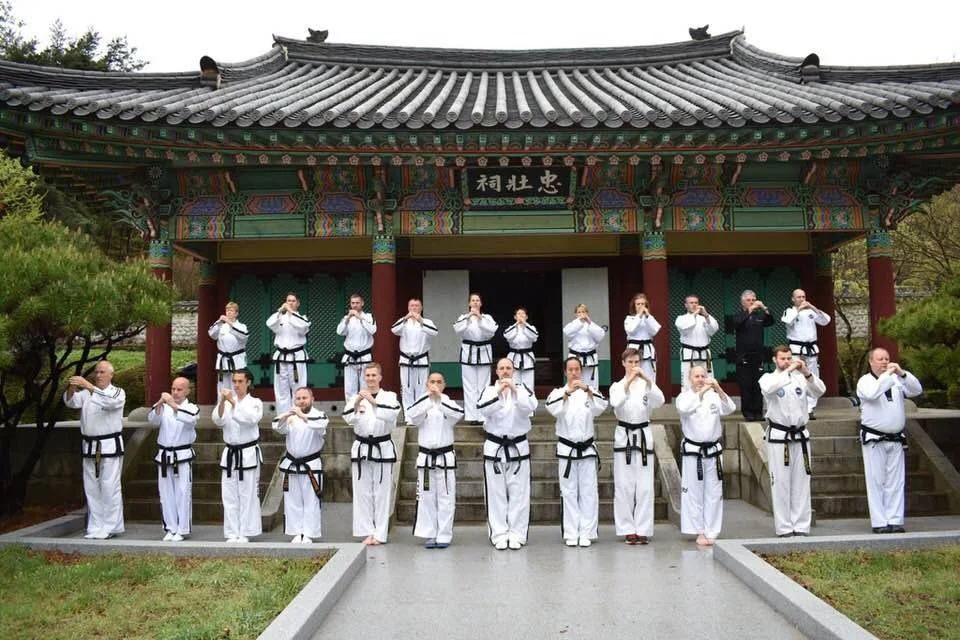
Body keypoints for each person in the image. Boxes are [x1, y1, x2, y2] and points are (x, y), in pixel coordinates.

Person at [759, 346, 825, 537]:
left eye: (789, 358)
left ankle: (801, 526)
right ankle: (784, 527)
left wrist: (807, 372)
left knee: (802, 482)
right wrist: (787, 371)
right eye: (783, 358)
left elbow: (820, 391)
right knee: (780, 483)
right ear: (774, 360)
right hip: (779, 437)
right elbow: (769, 389)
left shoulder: (800, 379)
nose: (787, 361)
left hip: (800, 436)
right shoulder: (768, 378)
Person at [856, 348, 923, 534]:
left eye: (887, 358)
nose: (884, 362)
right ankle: (879, 522)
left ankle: (895, 520)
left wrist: (902, 374)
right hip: (874, 438)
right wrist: (887, 375)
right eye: (880, 359)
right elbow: (872, 394)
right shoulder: (865, 381)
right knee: (876, 480)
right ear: (871, 362)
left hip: (896, 438)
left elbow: (917, 390)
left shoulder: (896, 379)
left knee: (896, 481)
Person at [545, 357, 608, 548]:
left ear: (581, 371)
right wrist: (567, 393)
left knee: (589, 491)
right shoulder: (558, 392)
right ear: (565, 372)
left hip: (587, 448)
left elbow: (602, 406)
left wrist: (587, 390)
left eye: (577, 369)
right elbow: (552, 409)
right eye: (570, 369)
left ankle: (587, 531)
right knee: (569, 492)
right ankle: (571, 532)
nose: (574, 373)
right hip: (567, 449)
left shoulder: (590, 392)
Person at [477, 358, 538, 550]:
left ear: (514, 371)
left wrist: (514, 390)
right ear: (496, 371)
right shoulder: (488, 390)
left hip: (518, 447)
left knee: (519, 494)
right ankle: (499, 534)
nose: (505, 372)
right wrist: (499, 391)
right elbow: (484, 409)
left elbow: (531, 407)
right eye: (501, 368)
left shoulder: (523, 389)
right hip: (495, 448)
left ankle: (517, 534)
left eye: (508, 368)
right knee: (496, 494)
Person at [63, 360, 126, 540]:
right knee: (91, 487)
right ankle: (95, 525)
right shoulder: (86, 394)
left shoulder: (117, 393)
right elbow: (70, 402)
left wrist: (88, 385)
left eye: (102, 372)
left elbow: (108, 403)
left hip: (109, 445)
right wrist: (72, 387)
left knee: (109, 486)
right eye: (96, 372)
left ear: (111, 375)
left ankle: (111, 526)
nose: (98, 375)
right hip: (90, 446)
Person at [609, 348, 665, 545]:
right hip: (624, 436)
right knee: (624, 486)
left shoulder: (647, 385)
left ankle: (642, 529)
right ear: (623, 363)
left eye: (637, 362)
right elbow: (615, 402)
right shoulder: (617, 386)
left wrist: (648, 381)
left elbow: (660, 401)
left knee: (645, 487)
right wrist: (629, 382)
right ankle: (627, 528)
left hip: (642, 435)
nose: (634, 366)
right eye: (630, 362)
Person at [676, 365, 735, 545]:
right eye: (696, 376)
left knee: (714, 492)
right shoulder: (684, 397)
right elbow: (684, 409)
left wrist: (718, 388)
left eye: (703, 376)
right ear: (690, 378)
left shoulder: (714, 396)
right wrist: (700, 394)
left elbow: (730, 408)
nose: (700, 379)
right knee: (694, 492)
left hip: (713, 450)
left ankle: (712, 529)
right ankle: (699, 530)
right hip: (694, 452)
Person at [343, 363, 401, 545]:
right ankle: (367, 531)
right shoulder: (356, 397)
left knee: (381, 492)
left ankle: (380, 533)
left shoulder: (389, 397)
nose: (370, 378)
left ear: (380, 377)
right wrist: (359, 402)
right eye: (367, 375)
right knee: (363, 492)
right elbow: (348, 418)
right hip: (361, 448)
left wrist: (373, 402)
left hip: (381, 447)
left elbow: (392, 415)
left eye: (373, 375)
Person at [406, 372, 464, 549]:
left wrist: (439, 398)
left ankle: (444, 534)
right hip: (426, 458)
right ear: (426, 384)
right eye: (432, 382)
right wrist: (429, 400)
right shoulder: (422, 403)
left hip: (445, 458)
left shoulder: (448, 402)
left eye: (439, 382)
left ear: (444, 385)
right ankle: (430, 533)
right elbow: (413, 416)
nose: (435, 385)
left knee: (446, 497)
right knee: (427, 497)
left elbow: (457, 415)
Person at [212, 369, 263, 543]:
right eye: (234, 381)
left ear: (248, 383)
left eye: (240, 381)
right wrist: (221, 401)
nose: (236, 384)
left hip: (247, 453)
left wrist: (233, 403)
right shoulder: (226, 402)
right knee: (229, 495)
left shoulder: (255, 402)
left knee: (247, 494)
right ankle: (232, 532)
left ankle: (245, 531)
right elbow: (218, 421)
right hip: (230, 453)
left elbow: (250, 420)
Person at [273, 387, 328, 544]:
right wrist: (286, 415)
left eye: (304, 398)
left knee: (311, 500)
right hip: (292, 464)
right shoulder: (291, 418)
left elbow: (321, 426)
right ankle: (296, 532)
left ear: (312, 399)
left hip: (311, 464)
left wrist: (302, 416)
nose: (301, 401)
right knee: (292, 500)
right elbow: (276, 426)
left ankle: (309, 533)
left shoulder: (319, 415)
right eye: (298, 398)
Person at [147, 376, 199, 542]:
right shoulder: (164, 407)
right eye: (173, 389)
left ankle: (182, 529)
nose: (175, 392)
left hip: (182, 456)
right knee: (165, 493)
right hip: (164, 455)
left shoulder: (192, 407)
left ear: (187, 391)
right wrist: (161, 403)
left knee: (183, 492)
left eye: (179, 389)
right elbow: (152, 420)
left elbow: (190, 419)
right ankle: (170, 527)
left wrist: (173, 405)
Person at [781, 289, 831, 419]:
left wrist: (812, 307)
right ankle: (796, 406)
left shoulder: (811, 312)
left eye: (803, 297)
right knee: (796, 377)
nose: (802, 299)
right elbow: (787, 321)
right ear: (793, 299)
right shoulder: (790, 311)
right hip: (797, 350)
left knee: (812, 376)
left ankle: (810, 408)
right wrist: (798, 310)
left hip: (811, 349)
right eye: (798, 297)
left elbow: (825, 321)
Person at [453, 293, 498, 425]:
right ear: (469, 303)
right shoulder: (463, 318)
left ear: (481, 303)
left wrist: (479, 318)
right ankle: (472, 416)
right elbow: (458, 330)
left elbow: (491, 331)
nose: (475, 303)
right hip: (468, 352)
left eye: (477, 300)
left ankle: (483, 415)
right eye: (473, 300)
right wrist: (469, 318)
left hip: (483, 351)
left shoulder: (486, 318)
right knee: (469, 386)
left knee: (483, 386)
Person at [391, 298, 439, 421]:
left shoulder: (426, 322)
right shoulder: (403, 323)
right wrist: (406, 317)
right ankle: (409, 416)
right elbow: (394, 329)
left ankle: (419, 415)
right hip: (406, 360)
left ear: (421, 308)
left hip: (421, 359)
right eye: (412, 306)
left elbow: (434, 332)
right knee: (406, 388)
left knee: (421, 389)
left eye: (417, 306)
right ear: (408, 308)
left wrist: (420, 320)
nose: (414, 308)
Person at [266, 292, 311, 415]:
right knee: (281, 391)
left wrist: (291, 313)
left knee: (299, 389)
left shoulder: (303, 318)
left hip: (297, 359)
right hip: (281, 359)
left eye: (293, 301)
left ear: (298, 303)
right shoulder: (280, 318)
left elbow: (303, 327)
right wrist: (280, 311)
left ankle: (298, 415)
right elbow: (269, 323)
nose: (290, 303)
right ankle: (283, 417)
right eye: (288, 300)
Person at [733, 289, 774, 421]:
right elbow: (736, 324)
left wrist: (763, 307)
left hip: (758, 356)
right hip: (743, 357)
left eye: (753, 300)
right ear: (742, 302)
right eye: (748, 300)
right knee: (746, 386)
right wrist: (749, 310)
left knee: (758, 386)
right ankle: (748, 413)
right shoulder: (738, 316)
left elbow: (771, 320)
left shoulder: (759, 316)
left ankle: (758, 412)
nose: (751, 303)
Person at [337, 293, 377, 402]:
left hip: (364, 356)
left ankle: (365, 410)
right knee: (350, 387)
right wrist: (347, 319)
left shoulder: (369, 317)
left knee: (365, 385)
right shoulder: (346, 318)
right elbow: (340, 332)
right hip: (350, 356)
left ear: (362, 303)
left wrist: (360, 318)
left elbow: (373, 330)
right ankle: (351, 411)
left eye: (357, 303)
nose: (355, 305)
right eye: (353, 303)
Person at [675, 295, 719, 392]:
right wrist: (694, 314)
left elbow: (713, 329)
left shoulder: (704, 318)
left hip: (704, 354)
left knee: (707, 379)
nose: (694, 305)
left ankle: (708, 400)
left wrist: (706, 315)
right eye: (691, 303)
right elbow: (684, 328)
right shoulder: (681, 318)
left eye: (696, 303)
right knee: (688, 380)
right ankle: (687, 404)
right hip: (689, 354)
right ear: (686, 305)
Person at [563, 304, 607, 389]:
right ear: (575, 314)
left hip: (590, 358)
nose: (581, 314)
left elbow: (600, 336)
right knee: (575, 380)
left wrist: (589, 322)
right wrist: (579, 322)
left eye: (583, 312)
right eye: (579, 312)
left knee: (591, 382)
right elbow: (567, 332)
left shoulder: (592, 325)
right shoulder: (572, 325)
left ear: (587, 313)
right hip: (576, 357)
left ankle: (591, 398)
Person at [208, 301, 249, 392]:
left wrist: (230, 323)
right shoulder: (221, 326)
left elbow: (243, 337)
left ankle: (236, 405)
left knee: (236, 387)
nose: (229, 312)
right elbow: (212, 334)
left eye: (231, 310)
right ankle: (223, 405)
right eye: (227, 310)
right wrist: (219, 322)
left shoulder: (242, 326)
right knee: (222, 388)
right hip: (223, 360)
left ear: (236, 313)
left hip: (237, 360)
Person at [623, 293, 661, 381]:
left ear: (646, 305)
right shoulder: (629, 319)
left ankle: (649, 394)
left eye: (643, 304)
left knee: (649, 376)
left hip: (647, 350)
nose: (641, 306)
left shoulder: (649, 318)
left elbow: (655, 330)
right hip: (633, 348)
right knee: (633, 374)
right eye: (638, 304)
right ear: (634, 306)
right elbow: (630, 330)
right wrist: (639, 316)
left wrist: (647, 316)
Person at [503, 307, 539, 393]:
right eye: (518, 314)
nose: (521, 316)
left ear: (526, 317)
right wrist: (516, 325)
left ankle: (528, 404)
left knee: (528, 384)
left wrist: (525, 324)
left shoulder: (531, 328)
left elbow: (534, 336)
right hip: (514, 357)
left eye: (523, 314)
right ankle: (515, 404)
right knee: (514, 383)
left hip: (527, 357)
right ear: (515, 317)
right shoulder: (511, 328)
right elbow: (506, 335)